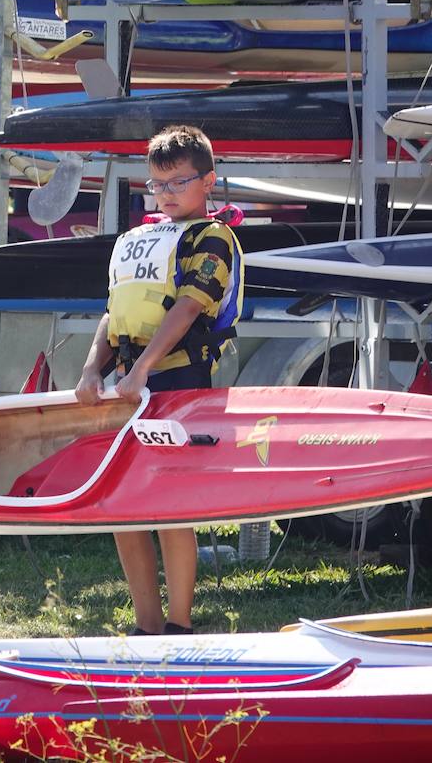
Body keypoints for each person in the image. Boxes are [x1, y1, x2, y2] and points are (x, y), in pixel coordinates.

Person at [76, 125, 243, 636]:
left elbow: (190, 307)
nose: (166, 193)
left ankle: (178, 624)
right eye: (158, 184)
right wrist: (91, 369)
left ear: (208, 181)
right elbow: (115, 312)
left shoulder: (212, 237)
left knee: (171, 506)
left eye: (178, 182)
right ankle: (145, 626)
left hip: (178, 382)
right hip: (128, 384)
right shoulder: (134, 240)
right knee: (124, 506)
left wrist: (145, 368)